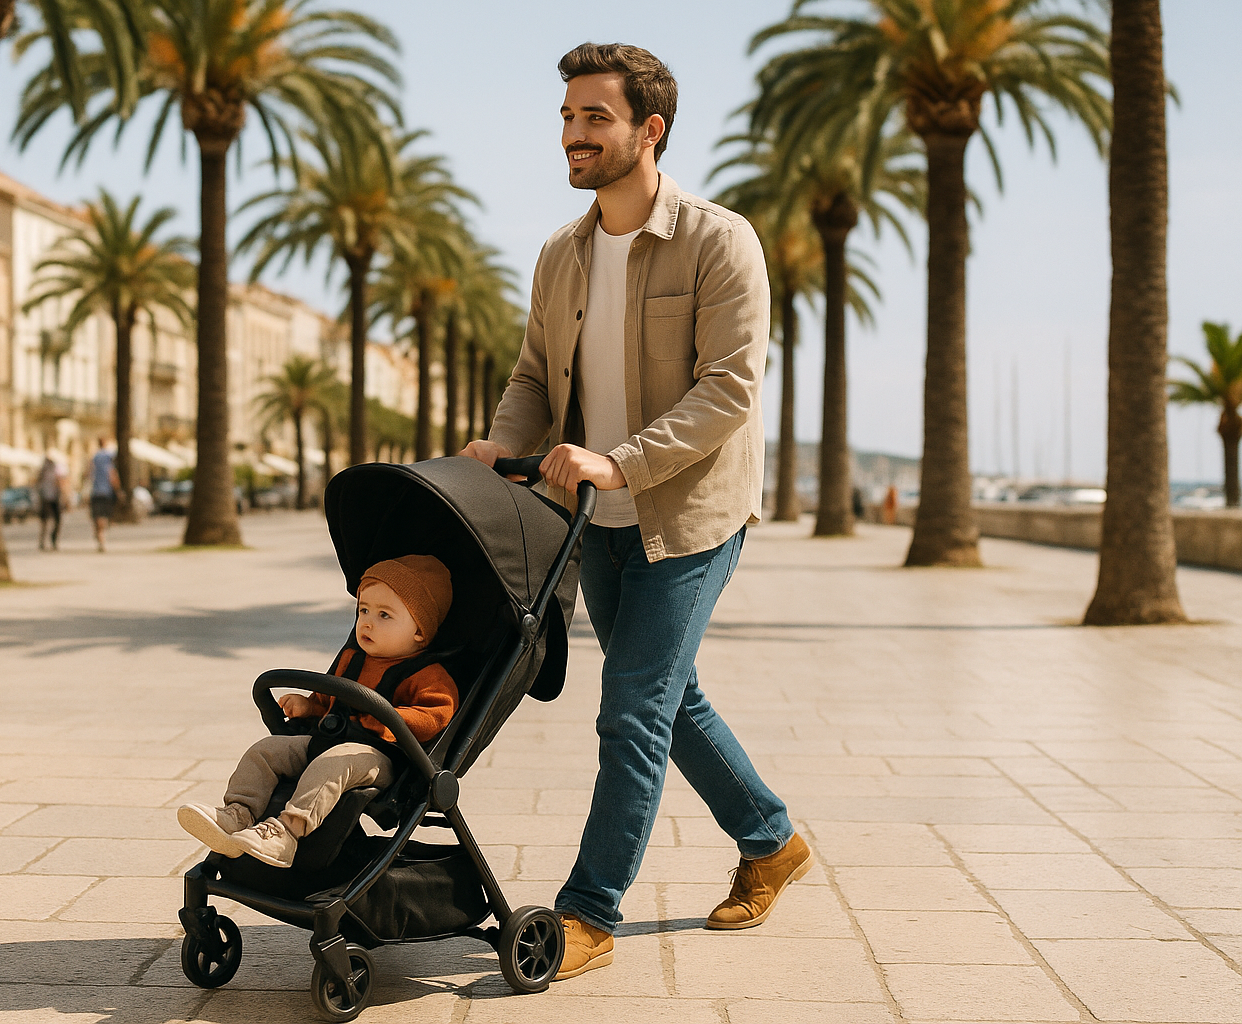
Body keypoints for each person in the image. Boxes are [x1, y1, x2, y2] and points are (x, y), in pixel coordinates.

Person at [459, 43, 806, 980]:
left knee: (633, 709)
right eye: (568, 117)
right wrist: (502, 445)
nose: (574, 133)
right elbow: (535, 374)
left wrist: (621, 461)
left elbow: (729, 388)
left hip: (688, 517)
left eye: (595, 117)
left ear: (649, 130)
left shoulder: (719, 241)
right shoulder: (560, 255)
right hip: (592, 518)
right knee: (667, 695)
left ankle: (590, 912)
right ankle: (771, 841)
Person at [177, 555, 457, 869]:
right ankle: (238, 814)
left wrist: (391, 718)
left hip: (379, 757)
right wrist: (309, 706)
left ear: (420, 630)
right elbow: (328, 700)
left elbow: (436, 715)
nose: (367, 622)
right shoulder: (351, 659)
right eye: (363, 610)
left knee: (333, 764)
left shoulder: (428, 675)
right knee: (265, 751)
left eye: (384, 615)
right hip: (326, 741)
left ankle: (286, 833)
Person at [88, 438, 119, 553]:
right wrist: (117, 489)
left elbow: (89, 474)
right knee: (104, 516)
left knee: (96, 516)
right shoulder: (108, 457)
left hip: (95, 492)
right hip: (106, 492)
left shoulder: (94, 457)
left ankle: (98, 534)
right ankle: (101, 536)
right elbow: (112, 474)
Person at [37, 455, 64, 551]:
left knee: (45, 522)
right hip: (53, 499)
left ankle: (43, 541)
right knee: (55, 521)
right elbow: (60, 483)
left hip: (46, 498)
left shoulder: (42, 472)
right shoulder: (55, 471)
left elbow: (37, 485)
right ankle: (52, 541)